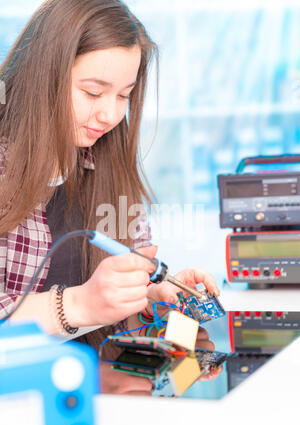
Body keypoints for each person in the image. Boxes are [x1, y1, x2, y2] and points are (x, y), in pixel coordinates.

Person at [0, 0, 220, 394]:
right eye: (92, 91)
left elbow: (120, 316)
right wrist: (81, 304)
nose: (110, 115)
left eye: (124, 95)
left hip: (97, 395)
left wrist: (148, 295)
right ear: (40, 77)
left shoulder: (109, 166)